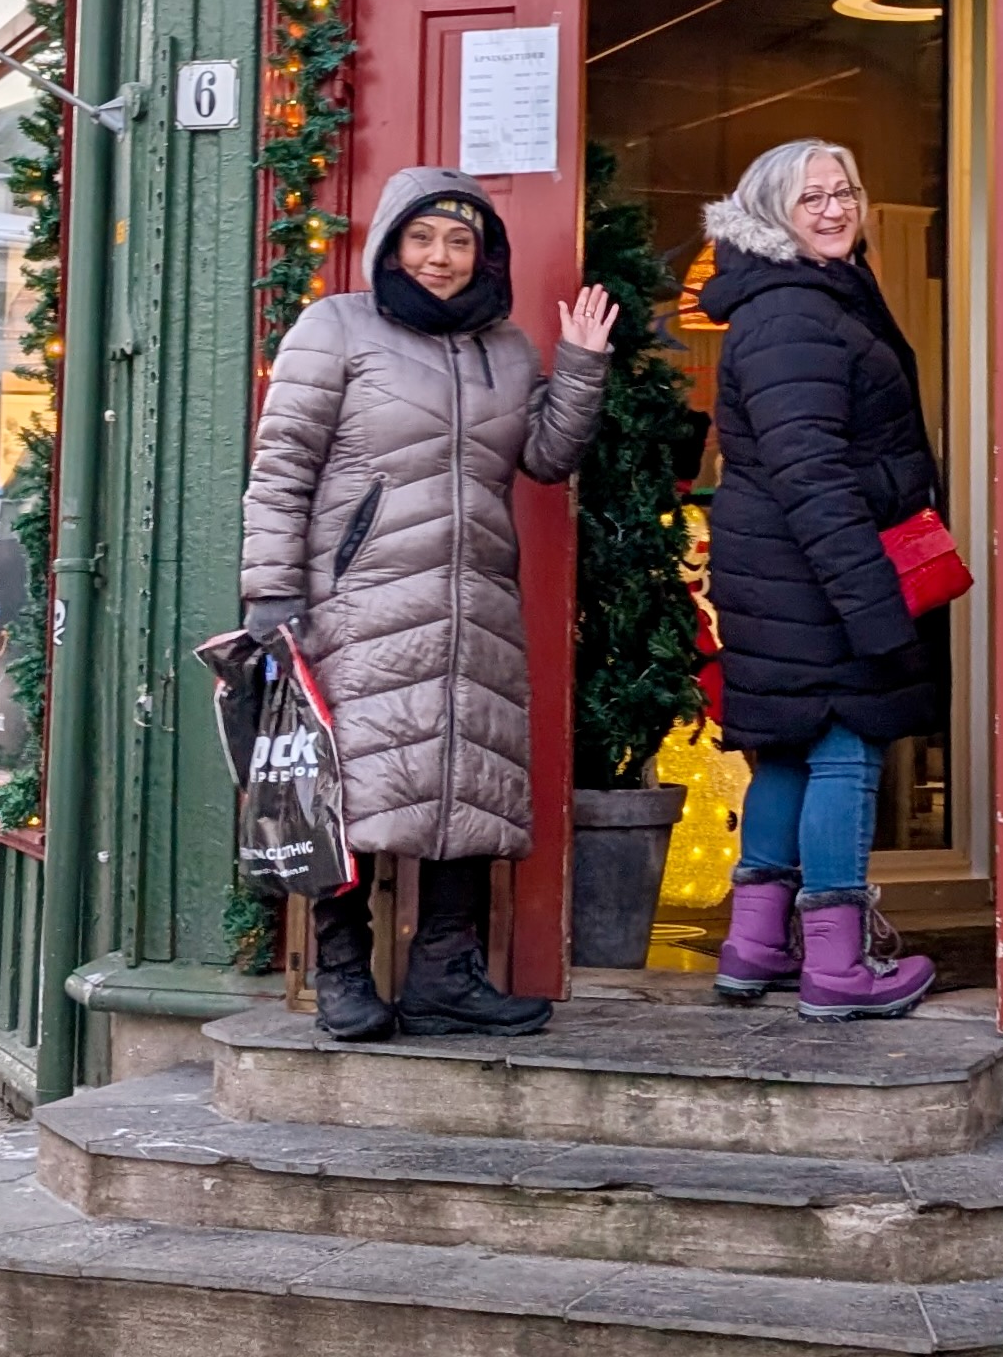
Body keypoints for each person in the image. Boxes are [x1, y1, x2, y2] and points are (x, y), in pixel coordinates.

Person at [242, 165, 617, 1041]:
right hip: (356, 601)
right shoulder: (335, 327)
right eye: (422, 238)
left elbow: (548, 458)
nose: (441, 257)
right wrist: (271, 591)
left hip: (472, 604)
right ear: (390, 245)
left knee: (467, 784)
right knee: (346, 791)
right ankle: (343, 969)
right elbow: (283, 465)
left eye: (460, 240)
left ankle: (448, 973)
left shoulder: (507, 346)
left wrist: (584, 367)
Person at [699, 139, 943, 1019]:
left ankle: (755, 944)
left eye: (847, 190)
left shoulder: (809, 297)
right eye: (813, 199)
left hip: (788, 568)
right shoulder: (795, 313)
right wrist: (874, 603)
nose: (837, 209)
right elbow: (813, 475)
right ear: (773, 216)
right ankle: (838, 965)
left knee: (793, 746)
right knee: (845, 744)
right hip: (818, 570)